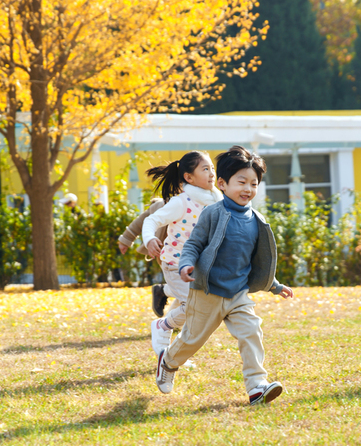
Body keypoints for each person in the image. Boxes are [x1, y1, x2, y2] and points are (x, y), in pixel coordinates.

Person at [154, 145, 294, 406]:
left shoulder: (257, 220)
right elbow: (194, 244)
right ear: (222, 183)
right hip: (208, 290)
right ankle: (169, 361)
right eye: (241, 182)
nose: (247, 189)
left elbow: (256, 262)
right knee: (192, 340)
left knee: (251, 332)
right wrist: (186, 265)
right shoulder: (213, 213)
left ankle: (256, 386)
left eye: (253, 184)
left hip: (238, 293)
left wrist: (274, 285)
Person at [141, 151, 223, 356]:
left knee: (195, 309)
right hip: (175, 264)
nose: (212, 173)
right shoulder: (182, 202)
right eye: (205, 169)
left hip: (200, 268)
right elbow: (151, 220)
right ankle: (162, 326)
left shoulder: (217, 202)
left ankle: (173, 352)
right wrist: (150, 239)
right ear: (189, 177)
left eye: (212, 168)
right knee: (195, 307)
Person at [118, 197, 172, 317]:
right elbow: (141, 222)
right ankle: (162, 292)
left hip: (190, 253)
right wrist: (126, 239)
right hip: (166, 254)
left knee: (186, 288)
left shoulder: (200, 201)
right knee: (184, 287)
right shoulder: (160, 206)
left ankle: (174, 321)